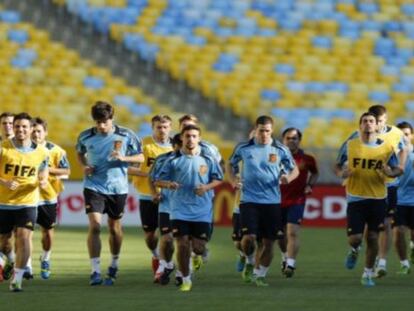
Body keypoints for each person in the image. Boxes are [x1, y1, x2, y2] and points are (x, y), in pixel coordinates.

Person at [76, 101, 143, 286]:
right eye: (97, 122)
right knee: (95, 226)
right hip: (93, 186)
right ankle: (95, 271)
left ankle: (114, 263)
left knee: (114, 227)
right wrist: (84, 166)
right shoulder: (85, 136)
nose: (101, 126)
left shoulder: (127, 135)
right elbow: (79, 153)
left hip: (118, 188)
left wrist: (124, 158)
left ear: (112, 118)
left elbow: (141, 157)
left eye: (104, 121)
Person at [228, 115, 299, 286]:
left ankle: (260, 275)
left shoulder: (280, 149)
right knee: (249, 238)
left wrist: (288, 178)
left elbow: (294, 169)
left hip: (272, 202)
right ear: (255, 129)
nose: (264, 134)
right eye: (261, 131)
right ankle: (250, 261)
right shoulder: (244, 147)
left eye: (267, 131)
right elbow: (230, 164)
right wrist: (232, 180)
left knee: (268, 242)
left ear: (272, 131)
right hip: (249, 200)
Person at [338, 105, 406, 277]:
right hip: (357, 194)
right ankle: (356, 248)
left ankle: (378, 263)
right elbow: (340, 163)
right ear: (361, 125)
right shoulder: (353, 141)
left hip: (384, 189)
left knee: (382, 228)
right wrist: (342, 173)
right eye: (366, 121)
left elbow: (401, 153)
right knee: (357, 237)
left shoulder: (395, 135)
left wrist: (394, 171)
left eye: (378, 121)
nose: (376, 124)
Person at [154, 125, 223, 292]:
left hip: (202, 210)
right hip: (179, 209)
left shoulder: (208, 159)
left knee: (198, 247)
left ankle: (199, 254)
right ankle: (185, 279)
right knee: (182, 244)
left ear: (199, 138)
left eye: (194, 136)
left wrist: (206, 188)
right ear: (182, 139)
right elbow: (157, 180)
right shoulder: (172, 160)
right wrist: (169, 184)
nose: (190, 139)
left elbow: (218, 179)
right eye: (187, 136)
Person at [0, 112, 49, 292]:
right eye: (17, 126)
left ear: (30, 129)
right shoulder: (3, 148)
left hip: (28, 203)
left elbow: (43, 173)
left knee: (24, 237)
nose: (20, 129)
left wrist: (42, 180)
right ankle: (12, 261)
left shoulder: (42, 152)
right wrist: (4, 181)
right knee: (4, 242)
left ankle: (17, 279)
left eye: (24, 127)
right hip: (4, 203)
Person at [128, 115, 173, 276]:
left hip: (169, 196)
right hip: (147, 195)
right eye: (158, 127)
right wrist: (148, 174)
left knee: (167, 234)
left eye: (165, 127)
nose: (162, 130)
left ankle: (164, 265)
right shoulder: (143, 144)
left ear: (170, 128)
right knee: (150, 235)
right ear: (152, 128)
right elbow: (129, 168)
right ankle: (156, 255)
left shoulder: (175, 147)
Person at [178, 114, 223, 268]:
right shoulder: (173, 147)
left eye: (190, 126)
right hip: (178, 199)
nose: (187, 130)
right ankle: (183, 271)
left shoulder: (210, 149)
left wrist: (207, 186)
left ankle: (198, 252)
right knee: (182, 239)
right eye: (184, 127)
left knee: (199, 242)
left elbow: (219, 170)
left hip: (203, 198)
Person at [28, 117, 70, 279]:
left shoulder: (56, 150)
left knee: (48, 233)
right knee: (25, 233)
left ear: (45, 132)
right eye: (33, 130)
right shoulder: (24, 150)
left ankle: (45, 258)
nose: (36, 134)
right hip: (27, 197)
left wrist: (45, 169)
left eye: (39, 130)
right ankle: (27, 265)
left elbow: (66, 171)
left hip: (48, 197)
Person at [278, 127, 318, 277]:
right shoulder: (275, 157)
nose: (291, 141)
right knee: (280, 235)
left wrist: (309, 185)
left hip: (297, 200)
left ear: (299, 141)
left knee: (292, 232)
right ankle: (284, 256)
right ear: (283, 140)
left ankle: (291, 264)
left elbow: (315, 173)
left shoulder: (307, 159)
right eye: (288, 138)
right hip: (276, 201)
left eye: (294, 138)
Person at [148, 134, 182, 284]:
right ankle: (166, 265)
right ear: (174, 146)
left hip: (188, 206)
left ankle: (182, 271)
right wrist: (155, 193)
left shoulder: (199, 158)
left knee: (184, 240)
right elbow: (152, 178)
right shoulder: (162, 159)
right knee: (166, 239)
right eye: (180, 145)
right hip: (167, 205)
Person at [393, 121, 414, 274]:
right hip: (398, 199)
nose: (404, 138)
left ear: (411, 136)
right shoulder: (391, 155)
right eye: (400, 135)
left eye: (406, 134)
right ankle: (404, 263)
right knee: (399, 231)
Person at [0, 112, 16, 282]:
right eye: (4, 123)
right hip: (1, 197)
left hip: (18, 198)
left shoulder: (22, 144)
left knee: (20, 236)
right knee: (4, 238)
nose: (8, 126)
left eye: (11, 122)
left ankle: (22, 265)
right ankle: (12, 261)